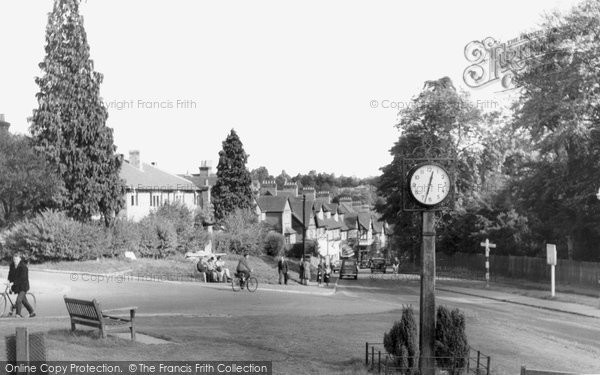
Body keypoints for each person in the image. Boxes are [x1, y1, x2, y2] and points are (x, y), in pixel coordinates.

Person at [8, 253, 35, 318]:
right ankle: (32, 312)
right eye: (14, 259)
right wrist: (9, 281)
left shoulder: (23, 267)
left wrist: (13, 283)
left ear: (20, 259)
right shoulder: (12, 265)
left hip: (23, 286)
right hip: (17, 286)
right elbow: (10, 274)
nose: (15, 261)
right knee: (24, 301)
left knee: (19, 300)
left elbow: (21, 279)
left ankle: (18, 314)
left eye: (16, 259)